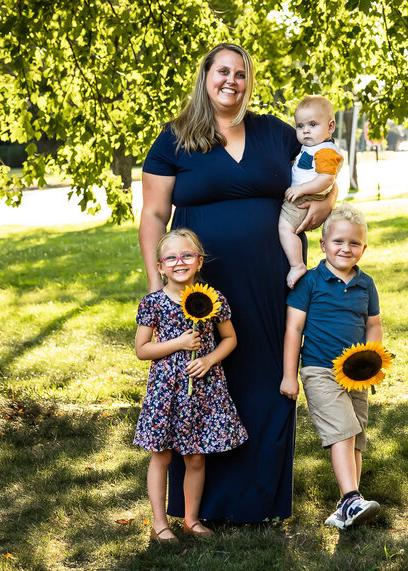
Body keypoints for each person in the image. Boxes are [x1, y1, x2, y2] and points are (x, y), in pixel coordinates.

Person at [138, 42, 336, 523]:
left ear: (249, 81)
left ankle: (261, 501)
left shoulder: (275, 132)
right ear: (205, 76)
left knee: (268, 381)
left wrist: (324, 208)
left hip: (272, 281)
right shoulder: (175, 138)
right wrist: (156, 289)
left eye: (241, 73)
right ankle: (199, 508)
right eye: (222, 71)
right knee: (202, 388)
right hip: (199, 289)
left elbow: (324, 176)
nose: (232, 80)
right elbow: (154, 214)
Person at [134, 228, 248, 543]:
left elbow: (230, 339)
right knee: (161, 454)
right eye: (171, 258)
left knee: (196, 456)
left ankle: (191, 520)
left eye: (187, 256)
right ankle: (160, 524)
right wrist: (178, 342)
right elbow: (142, 350)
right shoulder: (153, 302)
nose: (179, 262)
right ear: (160, 267)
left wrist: (210, 359)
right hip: (166, 390)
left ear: (199, 262)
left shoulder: (212, 299)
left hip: (204, 388)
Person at [280, 204, 382, 529]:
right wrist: (289, 375)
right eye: (338, 241)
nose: (345, 248)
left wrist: (373, 356)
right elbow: (293, 330)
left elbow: (373, 324)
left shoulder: (366, 285)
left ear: (363, 248)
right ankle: (352, 498)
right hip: (319, 370)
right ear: (323, 245)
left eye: (354, 243)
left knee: (356, 436)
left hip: (356, 375)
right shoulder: (310, 282)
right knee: (343, 430)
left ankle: (346, 505)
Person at [279, 95, 345, 289]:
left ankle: (297, 264)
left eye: (313, 124)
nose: (305, 130)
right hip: (303, 193)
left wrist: (301, 188)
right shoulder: (311, 147)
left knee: (285, 228)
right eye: (300, 126)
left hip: (306, 197)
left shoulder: (325, 151)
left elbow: (327, 179)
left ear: (330, 127)